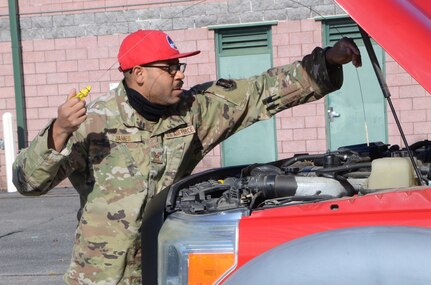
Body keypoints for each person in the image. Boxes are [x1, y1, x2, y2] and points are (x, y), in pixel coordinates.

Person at [12, 29, 361, 284]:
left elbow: (259, 92)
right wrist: (57, 133)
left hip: (166, 267)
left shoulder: (193, 112)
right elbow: (28, 183)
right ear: (138, 74)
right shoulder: (92, 123)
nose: (180, 74)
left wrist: (326, 62)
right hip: (100, 276)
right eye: (170, 68)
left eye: (180, 66)